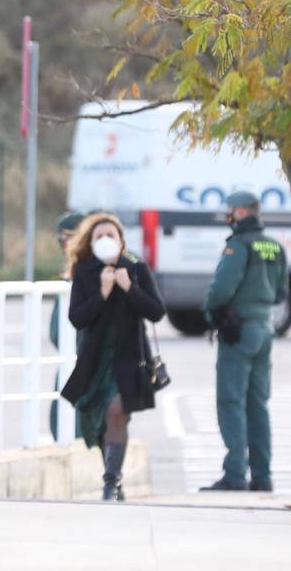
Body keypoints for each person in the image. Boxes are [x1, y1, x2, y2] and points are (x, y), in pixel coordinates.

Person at [60, 212, 165, 501]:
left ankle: (110, 483)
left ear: (121, 241)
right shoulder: (84, 273)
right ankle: (114, 482)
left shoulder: (136, 268)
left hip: (130, 360)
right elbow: (77, 318)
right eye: (99, 236)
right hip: (95, 361)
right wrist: (103, 293)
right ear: (90, 243)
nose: (105, 240)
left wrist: (130, 289)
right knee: (99, 424)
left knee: (117, 412)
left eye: (111, 235)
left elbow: (156, 311)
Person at [201, 190, 288, 493]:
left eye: (230, 210)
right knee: (257, 405)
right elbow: (281, 294)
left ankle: (235, 474)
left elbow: (221, 289)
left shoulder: (238, 246)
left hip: (238, 330)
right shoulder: (274, 245)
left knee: (231, 402)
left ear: (240, 212)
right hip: (264, 329)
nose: (228, 215)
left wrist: (211, 314)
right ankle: (262, 476)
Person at [49, 211, 84, 440]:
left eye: (69, 237)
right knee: (59, 417)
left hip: (82, 356)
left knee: (73, 420)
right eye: (61, 238)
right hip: (70, 356)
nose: (64, 243)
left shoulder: (85, 274)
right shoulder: (72, 272)